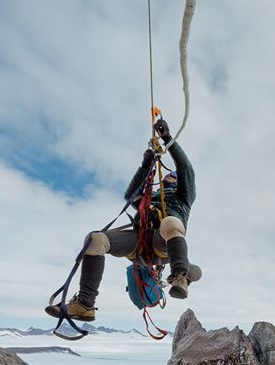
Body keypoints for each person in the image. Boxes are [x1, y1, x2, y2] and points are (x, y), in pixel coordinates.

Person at [46, 118, 199, 322]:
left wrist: (167, 139)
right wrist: (146, 164)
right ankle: (85, 304)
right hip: (140, 242)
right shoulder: (148, 200)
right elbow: (131, 195)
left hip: (163, 244)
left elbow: (186, 169)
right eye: (166, 177)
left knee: (170, 223)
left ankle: (180, 275)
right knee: (95, 240)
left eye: (171, 176)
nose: (166, 178)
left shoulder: (183, 197)